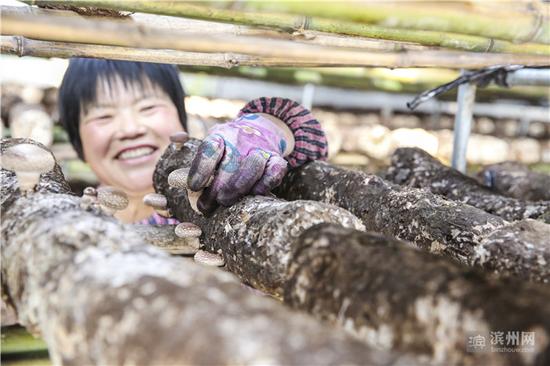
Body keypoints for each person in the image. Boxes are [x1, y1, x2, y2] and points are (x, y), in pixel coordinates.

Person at [58, 58, 328, 224]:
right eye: (103, 116)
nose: (130, 129)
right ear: (77, 139)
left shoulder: (216, 198)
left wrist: (270, 128)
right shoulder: (64, 222)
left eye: (148, 107)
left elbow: (310, 142)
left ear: (181, 116)